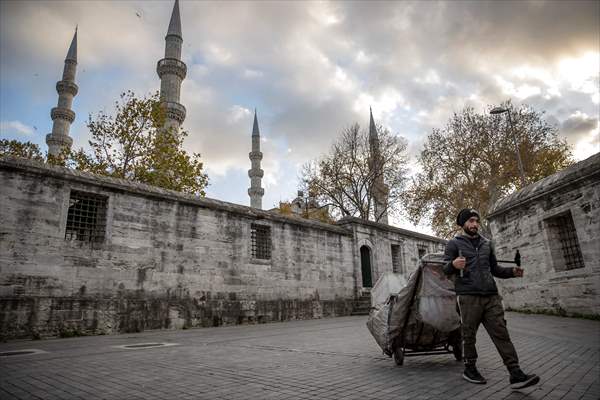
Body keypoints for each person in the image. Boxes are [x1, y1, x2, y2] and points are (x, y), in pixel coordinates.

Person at [443, 208, 540, 389]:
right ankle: (470, 368)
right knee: (469, 335)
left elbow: (494, 269)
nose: (474, 224)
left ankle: (515, 373)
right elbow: (445, 269)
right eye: (470, 221)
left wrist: (511, 272)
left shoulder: (487, 244)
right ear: (463, 224)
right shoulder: (454, 244)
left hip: (491, 296)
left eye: (476, 221)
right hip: (468, 296)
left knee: (501, 333)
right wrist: (453, 264)